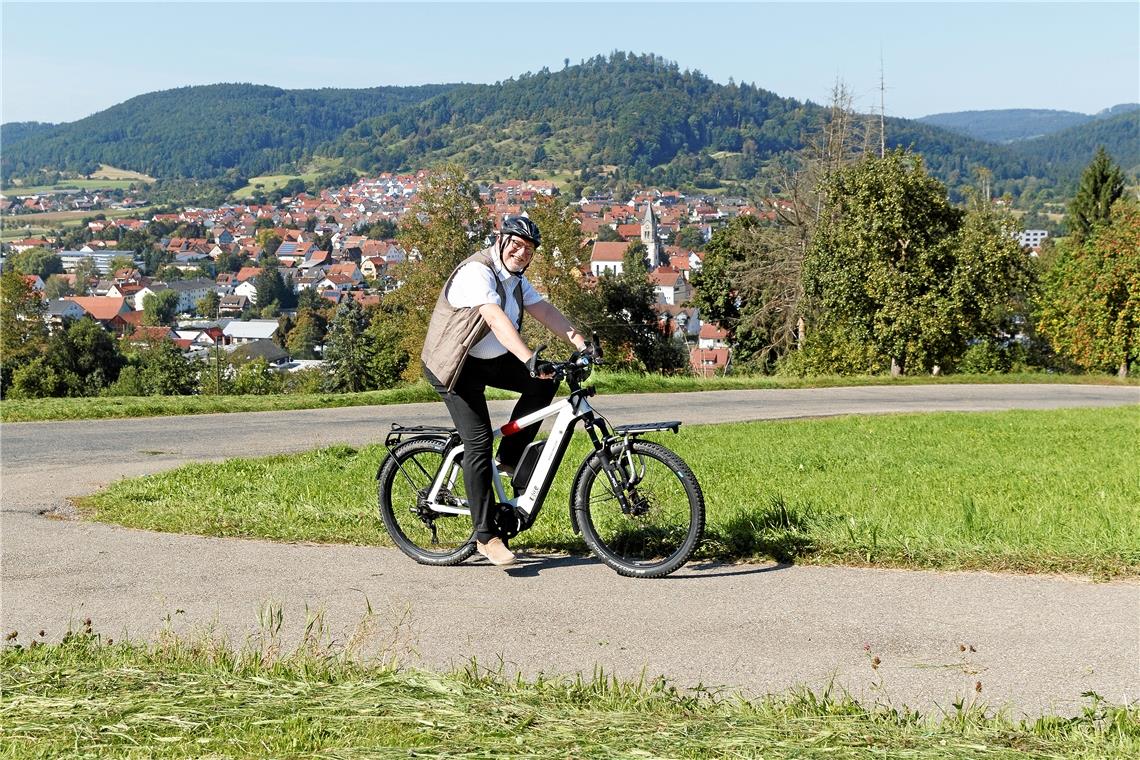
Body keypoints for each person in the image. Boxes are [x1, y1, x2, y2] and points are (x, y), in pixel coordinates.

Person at [421, 215, 590, 567]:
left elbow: (543, 309)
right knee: (478, 442)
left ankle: (509, 458)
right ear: (500, 240)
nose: (521, 252)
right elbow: (495, 318)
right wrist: (528, 357)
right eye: (516, 244)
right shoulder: (478, 271)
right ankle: (486, 537)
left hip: (490, 360)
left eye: (528, 249)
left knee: (546, 382)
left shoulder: (515, 278)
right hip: (455, 366)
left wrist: (578, 341)